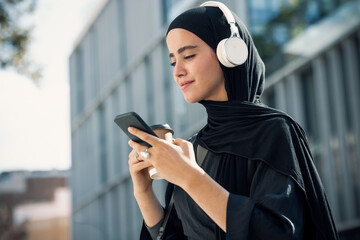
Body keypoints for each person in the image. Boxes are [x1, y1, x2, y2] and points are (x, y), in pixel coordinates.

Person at [127, 1, 339, 239]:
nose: (177, 71)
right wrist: (144, 193)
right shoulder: (194, 148)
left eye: (188, 56)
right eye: (173, 61)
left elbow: (278, 233)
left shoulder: (274, 131)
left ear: (229, 53)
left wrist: (189, 177)